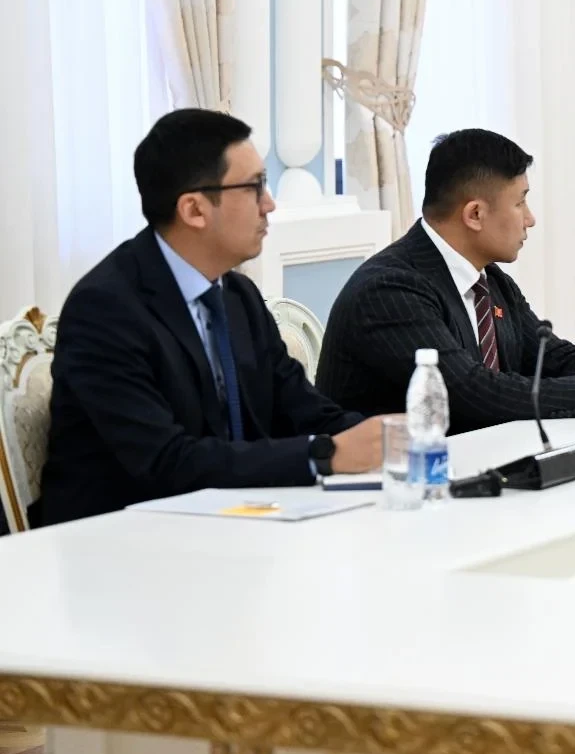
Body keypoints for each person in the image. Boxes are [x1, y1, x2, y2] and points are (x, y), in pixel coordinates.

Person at [32, 110, 385, 527]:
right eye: (255, 187)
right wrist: (323, 455)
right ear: (194, 210)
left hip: (230, 522)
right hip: (117, 537)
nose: (269, 205)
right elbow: (166, 461)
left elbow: (302, 408)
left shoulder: (238, 296)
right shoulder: (105, 310)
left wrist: (390, 438)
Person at [317, 129, 575, 430]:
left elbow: (549, 356)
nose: (530, 219)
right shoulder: (390, 289)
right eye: (520, 203)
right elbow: (470, 393)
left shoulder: (489, 279)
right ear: (475, 214)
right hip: (390, 484)